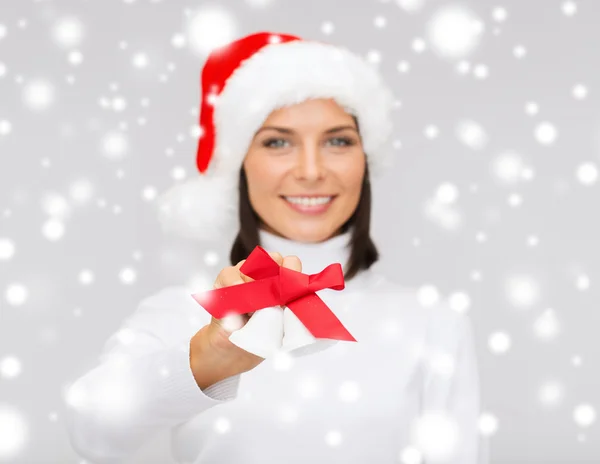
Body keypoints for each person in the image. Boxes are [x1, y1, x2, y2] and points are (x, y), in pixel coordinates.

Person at [64, 31, 487, 464]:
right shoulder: (180, 313)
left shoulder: (433, 323)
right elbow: (91, 431)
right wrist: (207, 359)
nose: (311, 171)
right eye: (277, 142)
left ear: (366, 158)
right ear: (239, 164)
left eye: (338, 140)